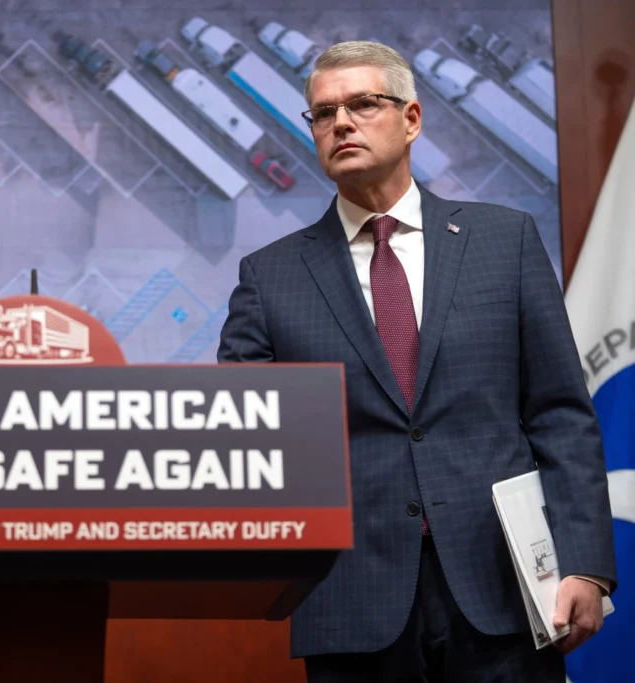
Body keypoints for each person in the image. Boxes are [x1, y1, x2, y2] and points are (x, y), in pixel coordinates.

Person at [218, 41, 616, 682]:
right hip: (351, 602)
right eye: (323, 113)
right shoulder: (269, 277)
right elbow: (239, 433)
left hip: (505, 593)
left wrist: (586, 564)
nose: (341, 122)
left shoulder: (503, 241)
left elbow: (560, 414)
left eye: (362, 104)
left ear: (412, 118)